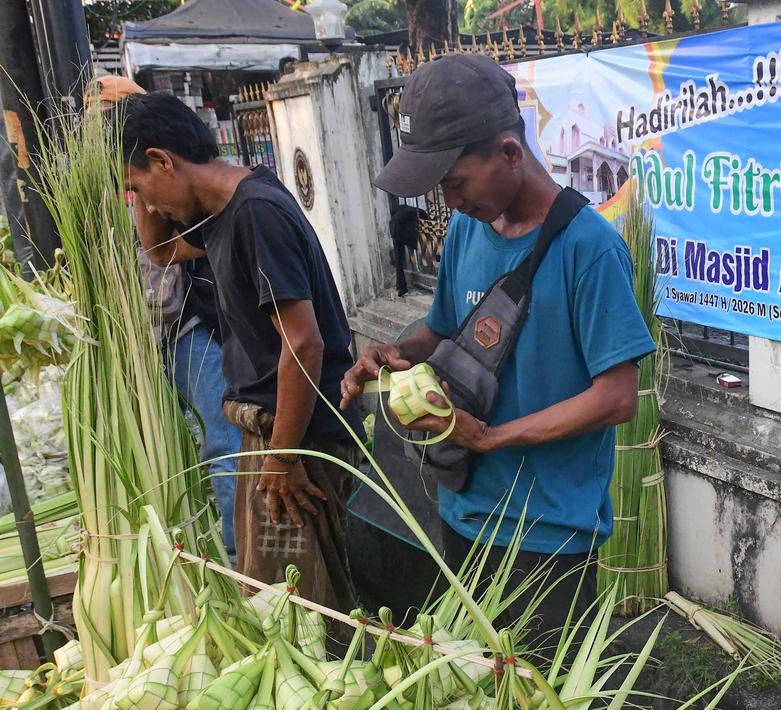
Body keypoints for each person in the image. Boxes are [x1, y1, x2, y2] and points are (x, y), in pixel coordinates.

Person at [340, 54, 655, 642]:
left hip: (547, 534)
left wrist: (491, 437)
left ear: (510, 152)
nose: (449, 202)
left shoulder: (591, 249)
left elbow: (616, 398)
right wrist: (392, 352)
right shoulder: (467, 229)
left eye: (455, 183)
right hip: (462, 511)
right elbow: (440, 329)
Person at [118, 91, 361, 610]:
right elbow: (161, 252)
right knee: (282, 600)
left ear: (163, 160)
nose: (147, 205)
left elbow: (303, 343)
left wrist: (283, 456)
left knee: (302, 608)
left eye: (139, 188)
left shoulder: (255, 213)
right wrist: (137, 184)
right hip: (277, 432)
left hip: (302, 436)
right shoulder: (221, 215)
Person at [87, 75, 242, 560]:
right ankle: (206, 553)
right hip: (144, 337)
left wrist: (140, 193)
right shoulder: (106, 189)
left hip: (192, 328)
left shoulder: (174, 188)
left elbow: (159, 251)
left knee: (226, 445)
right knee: (189, 449)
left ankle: (244, 564)